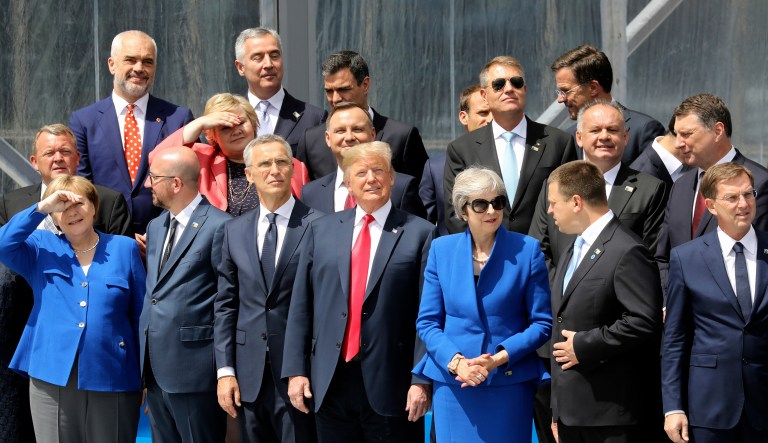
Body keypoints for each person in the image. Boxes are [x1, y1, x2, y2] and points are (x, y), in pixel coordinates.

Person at [283, 142, 435, 443]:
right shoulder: (321, 230)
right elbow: (301, 304)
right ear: (348, 183)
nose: (371, 179)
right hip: (329, 379)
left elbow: (426, 314)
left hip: (393, 383)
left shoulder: (420, 232)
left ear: (392, 178)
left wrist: (421, 380)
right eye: (361, 173)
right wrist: (295, 371)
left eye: (379, 170)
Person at [0, 124, 134, 443]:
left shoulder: (120, 237)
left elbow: (136, 309)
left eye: (65, 151)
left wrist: (140, 371)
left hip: (106, 361)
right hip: (41, 351)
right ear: (34, 160)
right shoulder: (35, 236)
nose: (72, 212)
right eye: (50, 152)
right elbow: (5, 247)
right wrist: (42, 208)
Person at [413, 167, 551, 442]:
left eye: (497, 202)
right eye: (481, 204)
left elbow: (542, 324)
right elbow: (427, 322)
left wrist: (498, 358)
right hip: (455, 385)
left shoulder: (528, 250)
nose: (491, 210)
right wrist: (457, 363)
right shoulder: (442, 250)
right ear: (462, 211)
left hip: (507, 382)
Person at [215, 135, 321, 443]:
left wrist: (302, 367)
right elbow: (226, 304)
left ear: (292, 169)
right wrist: (225, 371)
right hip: (248, 377)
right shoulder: (233, 230)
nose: (274, 170)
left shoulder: (320, 226)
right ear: (249, 174)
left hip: (300, 375)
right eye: (264, 163)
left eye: (281, 162)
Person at [547, 161, 662, 442]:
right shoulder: (573, 247)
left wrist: (584, 345)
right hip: (571, 412)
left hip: (609, 416)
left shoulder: (628, 250)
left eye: (553, 203)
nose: (550, 211)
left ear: (576, 202)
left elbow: (643, 321)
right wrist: (557, 409)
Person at [663, 162, 768, 443]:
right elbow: (675, 338)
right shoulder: (687, 258)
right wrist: (673, 407)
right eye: (731, 198)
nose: (743, 204)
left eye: (748, 195)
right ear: (710, 206)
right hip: (710, 406)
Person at [140, 147, 230, 442]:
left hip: (194, 372)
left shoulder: (221, 227)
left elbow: (227, 302)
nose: (148, 184)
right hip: (154, 370)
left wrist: (224, 370)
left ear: (176, 183)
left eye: (154, 177)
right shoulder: (156, 226)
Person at [69, 30, 194, 235]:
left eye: (147, 62)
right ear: (111, 64)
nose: (139, 68)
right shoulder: (84, 121)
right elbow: (81, 186)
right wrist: (118, 235)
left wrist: (156, 233)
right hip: (104, 241)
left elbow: (189, 184)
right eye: (130, 60)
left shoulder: (178, 118)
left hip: (165, 240)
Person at [529, 100, 667, 275]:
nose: (604, 136)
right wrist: (560, 293)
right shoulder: (553, 184)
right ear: (579, 137)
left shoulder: (650, 189)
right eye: (595, 130)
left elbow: (652, 256)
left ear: (625, 137)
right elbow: (539, 249)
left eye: (612, 130)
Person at [444, 56, 576, 235]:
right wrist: (483, 255)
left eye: (516, 82)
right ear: (484, 95)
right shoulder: (461, 149)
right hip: (486, 257)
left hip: (543, 257)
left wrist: (544, 256)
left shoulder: (558, 142)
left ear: (525, 89)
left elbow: (568, 206)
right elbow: (456, 213)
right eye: (499, 84)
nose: (509, 89)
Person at [656, 93, 768, 291]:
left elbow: (755, 259)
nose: (678, 143)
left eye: (687, 134)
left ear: (717, 130)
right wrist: (669, 301)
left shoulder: (759, 183)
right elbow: (663, 256)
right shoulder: (680, 186)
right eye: (676, 134)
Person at [152, 93, 310, 215]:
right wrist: (199, 123)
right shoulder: (201, 160)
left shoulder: (288, 164)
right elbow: (158, 161)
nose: (236, 130)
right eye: (225, 127)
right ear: (213, 135)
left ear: (253, 123)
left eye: (241, 122)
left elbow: (306, 215)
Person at [296, 50, 428, 180]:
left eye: (343, 89)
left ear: (365, 85)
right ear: (327, 138)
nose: (335, 98)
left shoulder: (402, 137)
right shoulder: (311, 141)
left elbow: (420, 195)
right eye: (329, 91)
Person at [300, 101, 426, 218]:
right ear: (328, 138)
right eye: (340, 131)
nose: (349, 137)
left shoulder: (401, 188)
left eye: (357, 129)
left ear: (372, 134)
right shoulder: (311, 193)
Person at [551, 44, 665, 163]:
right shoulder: (569, 137)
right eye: (559, 92)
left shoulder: (643, 130)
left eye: (565, 91)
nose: (560, 99)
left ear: (593, 88)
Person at [234, 28, 324, 152]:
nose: (268, 64)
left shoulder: (313, 118)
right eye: (258, 58)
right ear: (240, 67)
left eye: (274, 55)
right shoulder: (228, 118)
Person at [420, 84, 491, 236]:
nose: (490, 119)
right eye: (483, 113)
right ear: (464, 117)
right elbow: (424, 225)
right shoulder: (436, 168)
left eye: (494, 112)